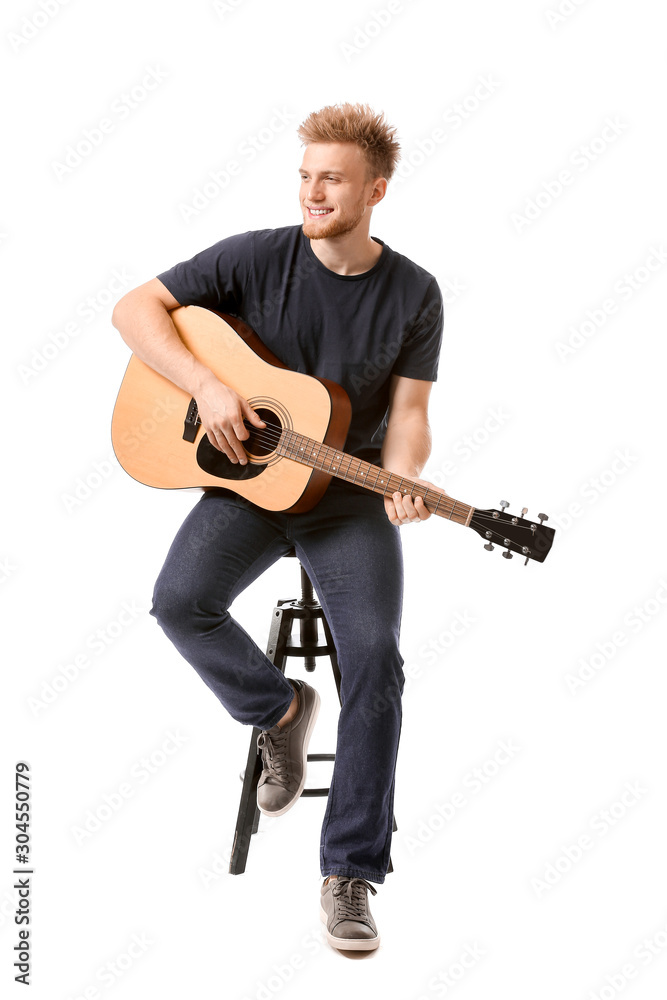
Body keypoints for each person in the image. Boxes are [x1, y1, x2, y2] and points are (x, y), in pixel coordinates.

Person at [111, 102, 443, 952]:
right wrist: (208, 388)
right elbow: (134, 309)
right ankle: (279, 706)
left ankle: (351, 874)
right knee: (178, 602)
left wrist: (402, 479)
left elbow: (408, 415)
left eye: (330, 178)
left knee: (375, 658)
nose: (312, 191)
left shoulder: (413, 291)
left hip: (343, 499)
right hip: (248, 488)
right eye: (304, 176)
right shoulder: (257, 255)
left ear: (375, 188)